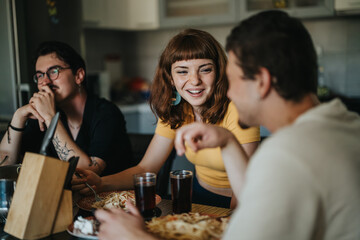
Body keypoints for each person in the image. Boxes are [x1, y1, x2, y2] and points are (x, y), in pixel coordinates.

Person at [94, 10, 360, 240]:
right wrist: (228, 143)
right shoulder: (348, 124)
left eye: (232, 80)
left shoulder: (285, 157)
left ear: (262, 82)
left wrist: (138, 236)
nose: (227, 92)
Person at [73, 28, 260, 208]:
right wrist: (100, 182)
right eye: (182, 71)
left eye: (205, 69)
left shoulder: (238, 110)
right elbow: (146, 168)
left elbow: (247, 186)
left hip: (239, 200)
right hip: (198, 195)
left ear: (219, 72)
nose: (194, 80)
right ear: (170, 78)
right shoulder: (176, 110)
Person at [0, 41, 133, 176]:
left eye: (53, 71)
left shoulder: (106, 113)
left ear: (78, 75)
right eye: (40, 75)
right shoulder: (42, 115)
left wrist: (50, 118)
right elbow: (4, 165)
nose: (44, 81)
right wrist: (18, 117)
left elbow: (87, 174)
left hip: (116, 196)